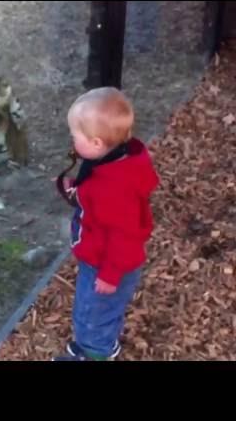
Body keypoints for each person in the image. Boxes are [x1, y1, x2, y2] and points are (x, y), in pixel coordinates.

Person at [52, 87, 159, 361]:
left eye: (75, 135)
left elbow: (125, 236)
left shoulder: (114, 190)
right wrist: (78, 190)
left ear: (96, 143)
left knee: (94, 313)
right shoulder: (115, 161)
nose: (71, 140)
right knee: (97, 309)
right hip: (101, 256)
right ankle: (96, 343)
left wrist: (110, 274)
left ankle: (96, 353)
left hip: (108, 264)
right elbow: (99, 194)